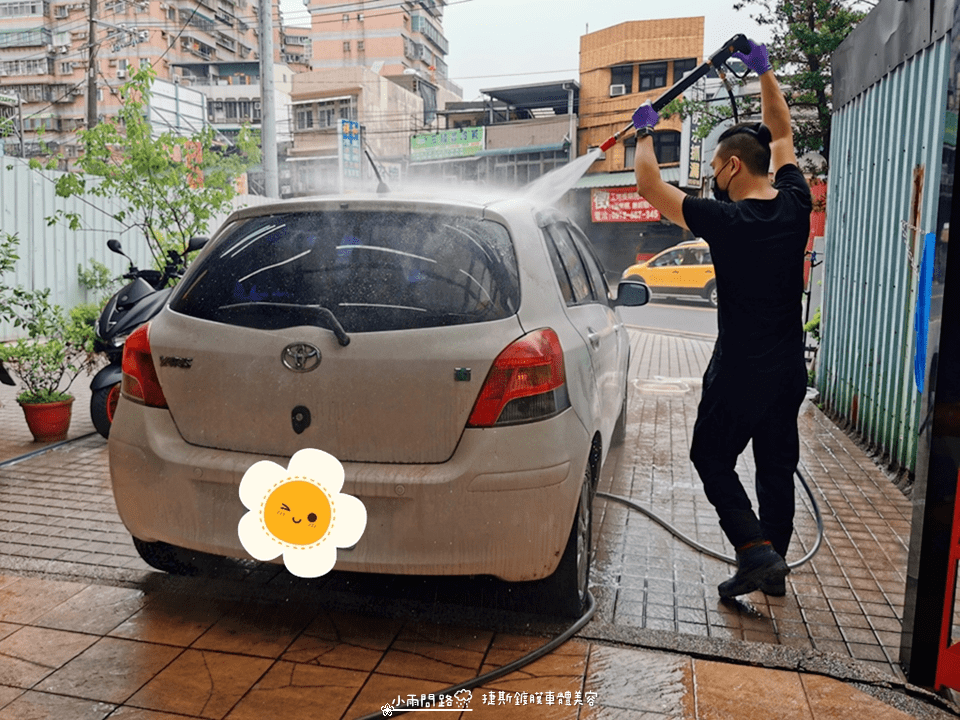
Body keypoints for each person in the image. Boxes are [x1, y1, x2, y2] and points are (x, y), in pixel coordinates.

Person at [632, 40, 813, 598]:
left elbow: (650, 187)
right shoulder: (795, 203)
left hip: (738, 370)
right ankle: (771, 568)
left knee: (710, 456)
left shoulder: (724, 219)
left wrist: (644, 134)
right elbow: (781, 134)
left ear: (733, 166)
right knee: (774, 469)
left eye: (714, 168)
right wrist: (764, 72)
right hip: (787, 370)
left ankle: (755, 551)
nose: (712, 177)